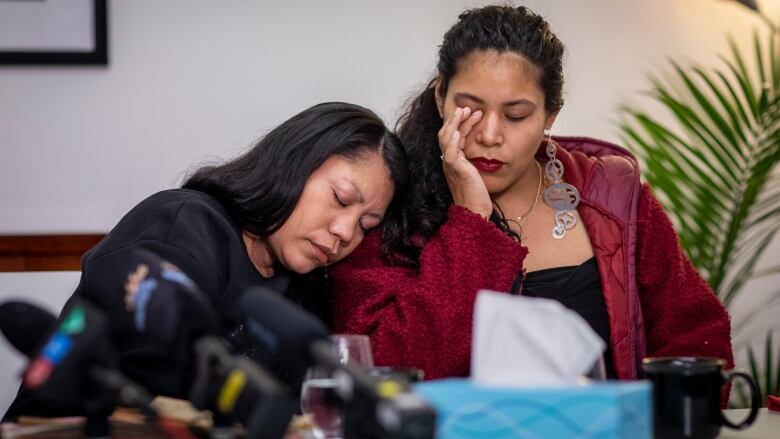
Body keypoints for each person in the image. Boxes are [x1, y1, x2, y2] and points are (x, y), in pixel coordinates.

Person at [330, 5, 733, 381]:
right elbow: (384, 367)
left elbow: (697, 334)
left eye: (516, 115)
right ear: (440, 97)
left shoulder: (609, 198)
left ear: (549, 115)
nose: (489, 135)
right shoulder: (389, 204)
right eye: (469, 108)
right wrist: (469, 221)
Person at [3, 101, 408, 419]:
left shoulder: (303, 291)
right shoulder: (183, 226)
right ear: (295, 163)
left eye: (365, 225)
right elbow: (144, 397)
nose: (345, 233)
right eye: (340, 200)